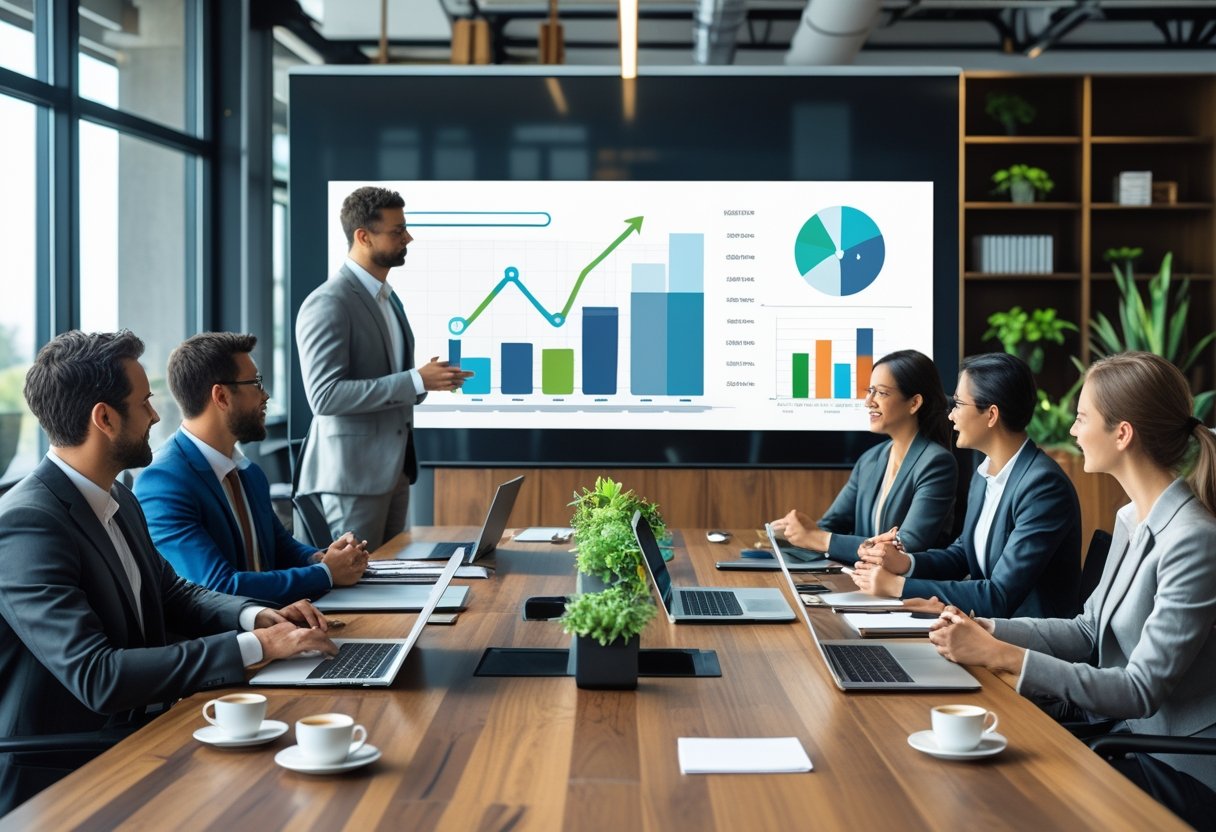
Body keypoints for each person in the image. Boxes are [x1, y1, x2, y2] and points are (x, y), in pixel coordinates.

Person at [0, 330, 338, 813]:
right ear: (105, 418)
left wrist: (254, 618)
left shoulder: (118, 496)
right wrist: (256, 648)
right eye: (145, 402)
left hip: (147, 732)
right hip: (65, 775)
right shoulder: (27, 523)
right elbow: (98, 676)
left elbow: (174, 592)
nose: (157, 416)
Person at [928, 352, 1216, 828]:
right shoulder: (1131, 518)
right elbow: (1088, 631)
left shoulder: (1194, 540)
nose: (1073, 432)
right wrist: (991, 629)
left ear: (1122, 434)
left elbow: (1140, 689)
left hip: (1175, 762)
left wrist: (1002, 656)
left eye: (1082, 418)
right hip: (1124, 735)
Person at [295, 186, 473, 551]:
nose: (407, 237)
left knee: (391, 580)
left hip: (393, 471)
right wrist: (414, 379)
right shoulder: (329, 302)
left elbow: (392, 377)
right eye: (397, 231)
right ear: (363, 236)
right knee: (352, 591)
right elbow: (325, 396)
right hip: (351, 479)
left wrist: (426, 381)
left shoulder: (387, 299)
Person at [135, 332, 369, 607]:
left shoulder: (248, 473)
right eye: (256, 383)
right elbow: (218, 587)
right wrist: (327, 573)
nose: (265, 395)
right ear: (221, 396)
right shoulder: (163, 482)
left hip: (283, 624)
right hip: (228, 643)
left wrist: (325, 557)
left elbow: (281, 548)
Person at [851, 352, 1081, 618]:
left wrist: (898, 586)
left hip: (1024, 643)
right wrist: (906, 563)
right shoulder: (985, 473)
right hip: (982, 630)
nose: (951, 416)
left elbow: (999, 596)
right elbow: (962, 555)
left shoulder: (1042, 487)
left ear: (991, 414)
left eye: (958, 404)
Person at [771, 349, 957, 563]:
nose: (868, 401)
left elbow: (906, 546)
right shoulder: (870, 459)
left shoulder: (936, 463)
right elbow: (830, 527)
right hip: (861, 581)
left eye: (882, 393)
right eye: (870, 390)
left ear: (914, 403)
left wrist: (818, 538)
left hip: (905, 591)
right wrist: (800, 531)